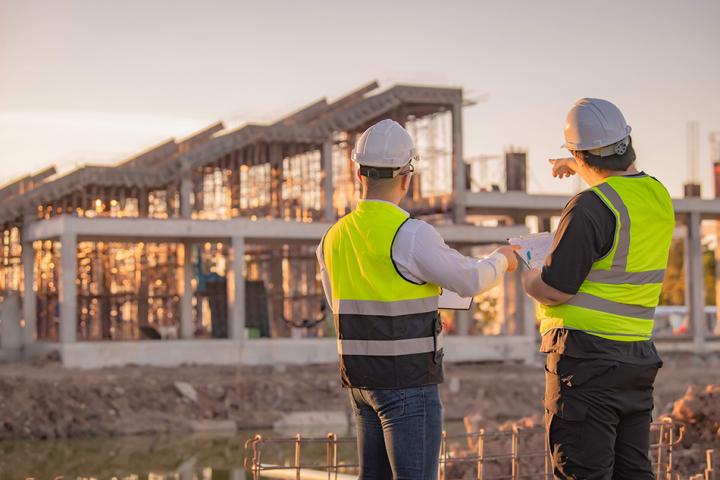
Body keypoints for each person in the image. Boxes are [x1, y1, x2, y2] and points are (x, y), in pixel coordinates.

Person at [316, 119, 519, 480]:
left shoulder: (332, 238)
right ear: (407, 177)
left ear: (358, 174)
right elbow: (470, 279)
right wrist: (503, 258)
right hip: (407, 384)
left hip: (361, 384)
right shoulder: (411, 235)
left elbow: (340, 303)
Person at [522, 98, 675, 479]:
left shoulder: (589, 207)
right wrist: (577, 163)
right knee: (633, 472)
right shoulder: (658, 196)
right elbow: (620, 180)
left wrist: (528, 274)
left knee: (582, 471)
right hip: (637, 360)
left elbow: (555, 289)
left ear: (579, 152)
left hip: (586, 363)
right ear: (628, 142)